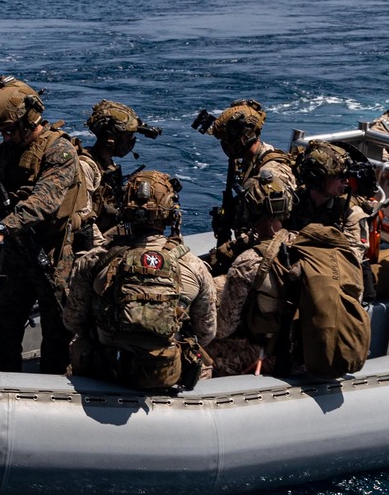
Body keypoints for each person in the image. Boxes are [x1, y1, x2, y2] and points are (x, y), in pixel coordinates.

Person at [0, 76, 88, 373]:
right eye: (0, 131)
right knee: (2, 324)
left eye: (9, 130)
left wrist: (0, 232)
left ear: (29, 120)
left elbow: (44, 201)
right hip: (15, 259)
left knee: (58, 333)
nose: (4, 137)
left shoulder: (59, 152)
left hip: (55, 254)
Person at [66, 170, 217, 393]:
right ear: (170, 213)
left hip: (107, 370)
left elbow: (73, 322)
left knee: (76, 343)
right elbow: (206, 333)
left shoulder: (94, 261)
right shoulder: (195, 267)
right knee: (203, 362)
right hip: (166, 372)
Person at [205, 176, 295, 376]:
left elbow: (223, 329)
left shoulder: (248, 263)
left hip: (269, 352)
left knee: (198, 353)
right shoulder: (297, 243)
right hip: (296, 345)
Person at [202, 101, 296, 274]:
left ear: (242, 139)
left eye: (226, 141)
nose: (224, 146)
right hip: (257, 247)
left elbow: (275, 229)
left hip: (274, 256)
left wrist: (231, 248)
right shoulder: (248, 164)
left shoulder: (270, 172)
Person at [79, 100, 162, 235]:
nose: (131, 141)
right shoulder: (86, 167)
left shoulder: (108, 165)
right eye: (128, 136)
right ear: (111, 139)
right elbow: (84, 219)